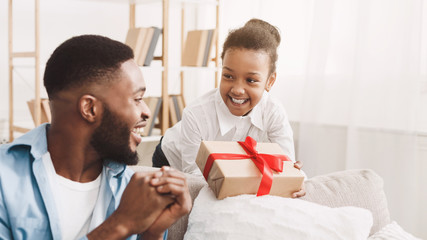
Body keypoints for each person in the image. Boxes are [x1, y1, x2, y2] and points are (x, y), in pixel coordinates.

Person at [0, 35, 191, 240]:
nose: (146, 112)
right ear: (90, 108)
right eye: (137, 99)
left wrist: (152, 233)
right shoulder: (5, 179)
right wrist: (119, 225)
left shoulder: (130, 188)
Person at [153, 19, 305, 197]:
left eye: (251, 80)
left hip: (226, 167)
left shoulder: (274, 112)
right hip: (173, 158)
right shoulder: (196, 114)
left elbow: (286, 166)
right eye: (228, 76)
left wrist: (294, 179)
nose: (237, 90)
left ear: (269, 81)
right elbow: (195, 177)